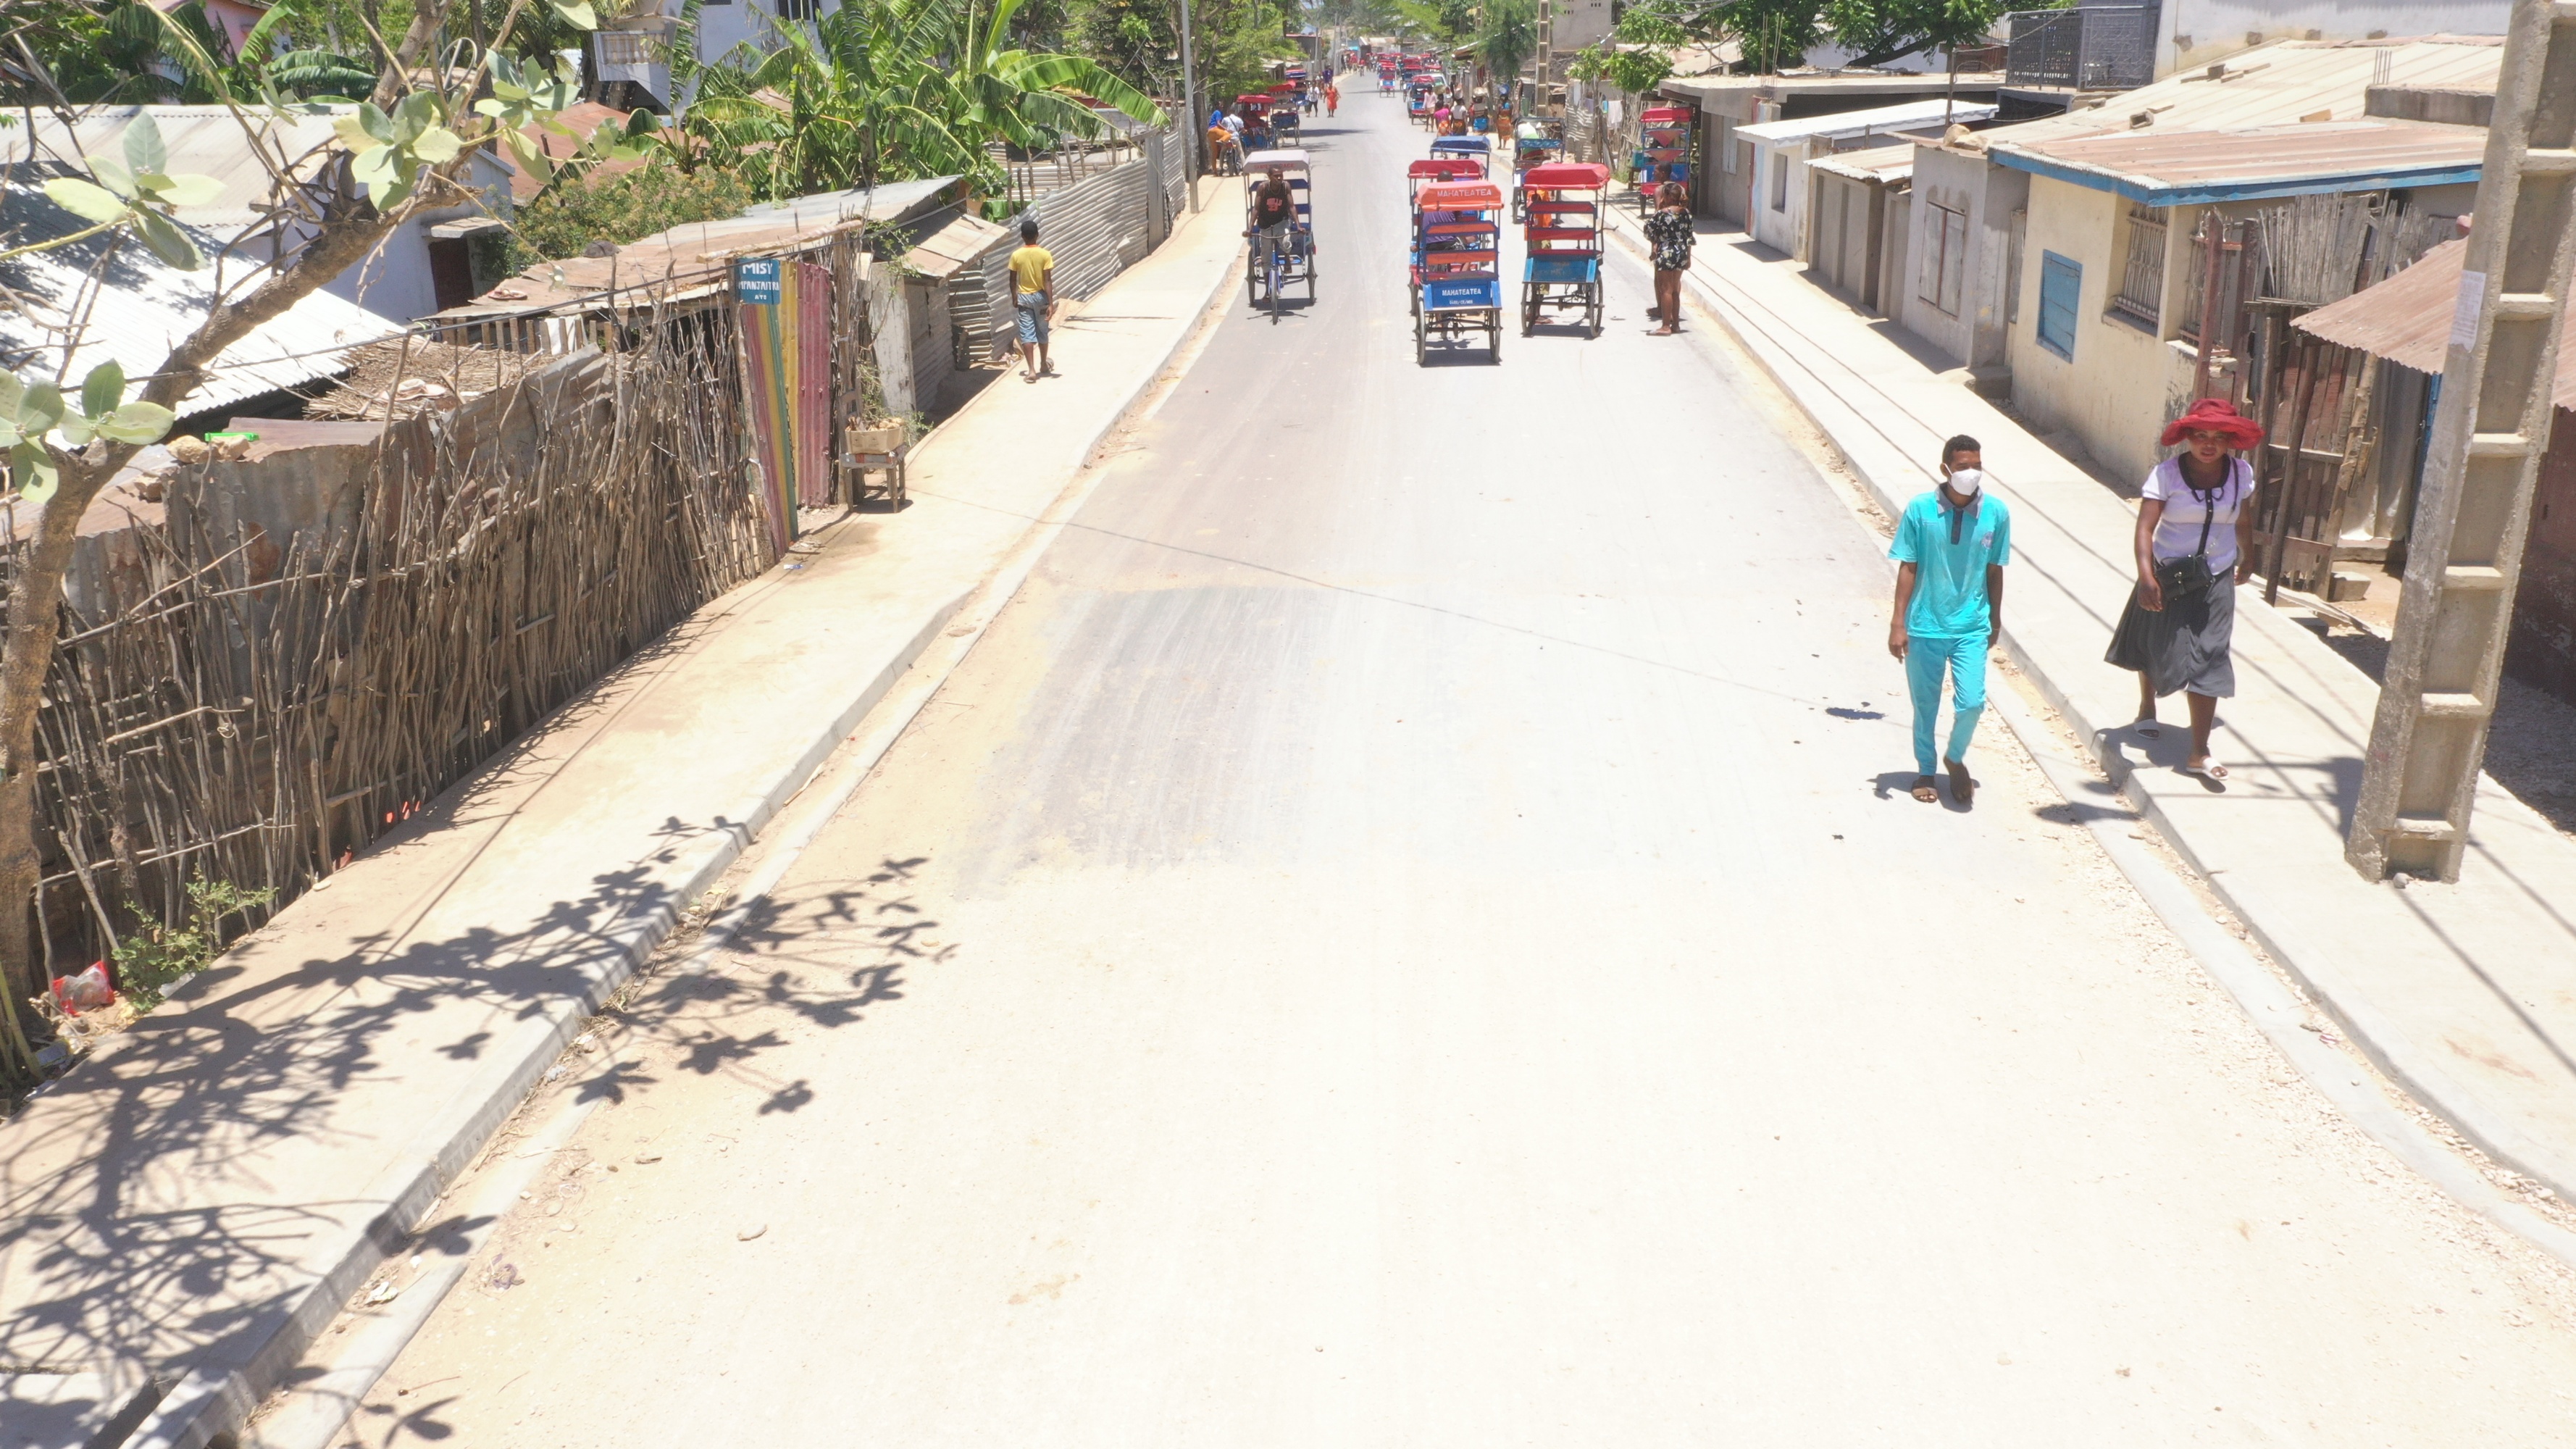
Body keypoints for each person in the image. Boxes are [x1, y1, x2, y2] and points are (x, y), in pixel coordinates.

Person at [2105, 396, 2264, 780]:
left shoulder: (2241, 473)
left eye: (2217, 437)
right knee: (2157, 644)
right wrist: (2147, 576)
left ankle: (2199, 750)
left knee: (2210, 654)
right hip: (2168, 573)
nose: (2208, 444)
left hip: (2217, 575)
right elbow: (2145, 528)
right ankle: (2147, 707)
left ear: (2230, 441)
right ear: (2187, 438)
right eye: (2199, 436)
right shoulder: (2166, 475)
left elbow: (2242, 520)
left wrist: (2250, 555)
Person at [1889, 436, 2011, 805]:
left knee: (1972, 702)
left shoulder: (1997, 513)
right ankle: (1926, 770)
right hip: (1924, 625)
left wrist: (1996, 618)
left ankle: (1954, 758)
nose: (1970, 473)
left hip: (1971, 626)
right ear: (1946, 469)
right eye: (1962, 467)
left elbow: (1995, 570)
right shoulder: (1920, 509)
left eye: (1976, 465)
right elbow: (1908, 566)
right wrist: (1898, 623)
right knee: (1925, 704)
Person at [1008, 218, 1056, 383]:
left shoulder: (1016, 255)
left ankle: (1031, 371)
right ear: (1037, 235)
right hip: (1041, 297)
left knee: (1027, 334)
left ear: (1022, 236)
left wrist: (1015, 297)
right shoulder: (1045, 254)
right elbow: (1048, 281)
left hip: (1024, 299)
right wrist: (1050, 303)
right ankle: (1043, 364)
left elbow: (1013, 280)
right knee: (1043, 330)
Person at [1643, 181, 1692, 335]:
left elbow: (1648, 231)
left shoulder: (1661, 214)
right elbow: (1689, 238)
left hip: (1666, 253)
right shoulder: (1686, 214)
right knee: (1675, 290)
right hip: (1681, 253)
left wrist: (1659, 208)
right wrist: (1689, 258)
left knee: (1666, 290)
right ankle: (1676, 325)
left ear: (1666, 197)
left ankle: (1665, 326)